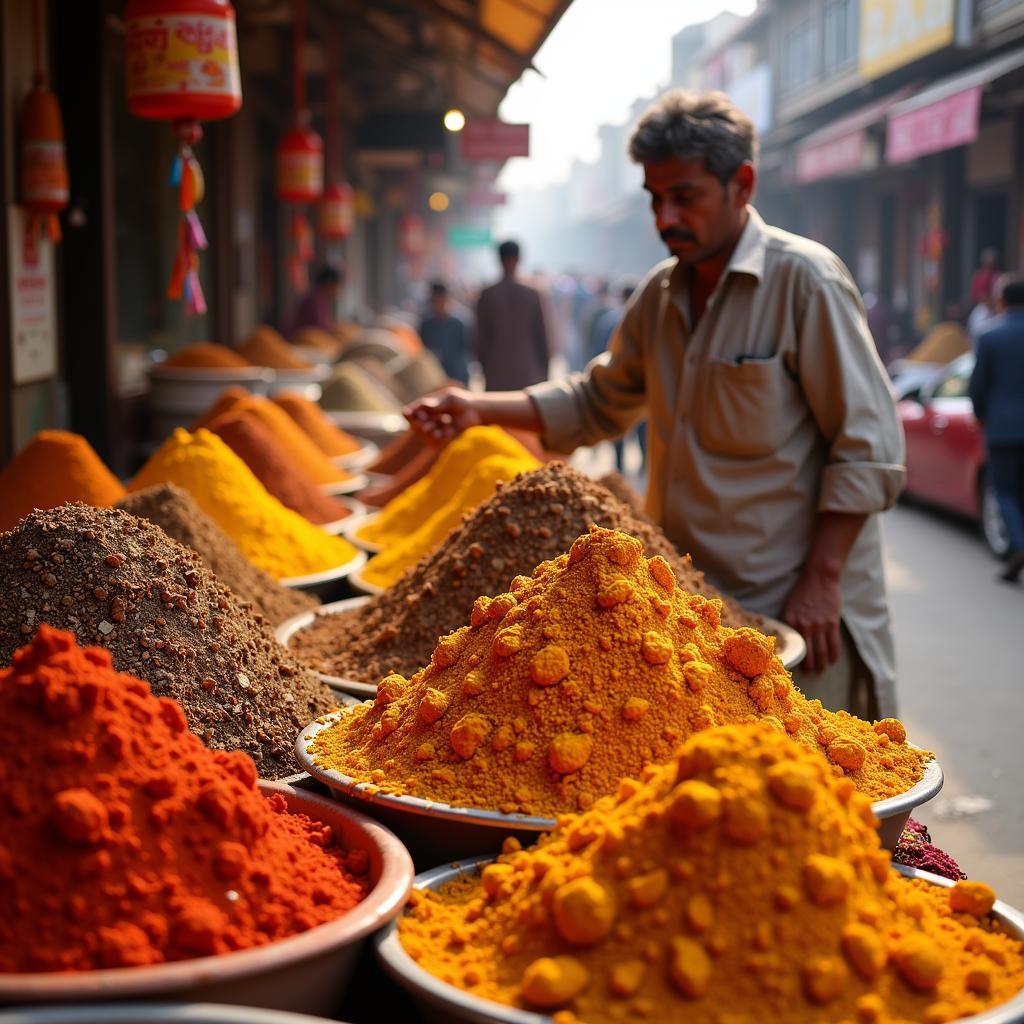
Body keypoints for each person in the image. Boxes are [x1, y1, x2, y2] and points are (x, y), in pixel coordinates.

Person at [407, 90, 906, 718]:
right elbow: (598, 402)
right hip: (697, 614)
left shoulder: (805, 282)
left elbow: (870, 449)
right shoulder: (660, 296)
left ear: (741, 185)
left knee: (805, 797)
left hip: (797, 611)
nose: (665, 215)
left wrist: (823, 579)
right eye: (654, 198)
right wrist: (480, 407)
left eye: (685, 196)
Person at [969, 274, 1024, 583]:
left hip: (1002, 427)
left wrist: (981, 415)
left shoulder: (991, 336)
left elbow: (978, 386)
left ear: (1002, 301)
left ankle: (1017, 544)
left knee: (1004, 490)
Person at [474, 240, 551, 390]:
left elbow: (479, 341)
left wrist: (485, 368)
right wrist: (544, 373)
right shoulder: (532, 295)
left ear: (499, 259)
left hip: (496, 374)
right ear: (519, 259)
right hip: (528, 374)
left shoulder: (487, 295)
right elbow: (542, 338)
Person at [419, 281, 470, 385]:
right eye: (435, 301)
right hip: (434, 377)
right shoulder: (426, 325)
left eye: (441, 300)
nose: (439, 305)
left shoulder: (457, 324)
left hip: (456, 375)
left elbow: (463, 353)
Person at [287, 264, 344, 338]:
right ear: (329, 283)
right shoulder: (314, 300)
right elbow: (320, 329)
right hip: (300, 341)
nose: (338, 289)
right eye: (337, 285)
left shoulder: (321, 299)